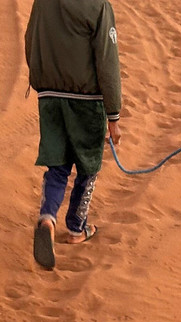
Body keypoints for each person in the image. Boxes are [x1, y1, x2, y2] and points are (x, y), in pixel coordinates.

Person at [25, 0, 123, 269]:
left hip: (49, 97)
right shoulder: (99, 6)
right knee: (88, 164)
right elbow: (107, 60)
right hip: (86, 99)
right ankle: (77, 229)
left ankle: (47, 218)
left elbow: (29, 38)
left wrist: (40, 83)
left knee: (57, 164)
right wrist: (113, 115)